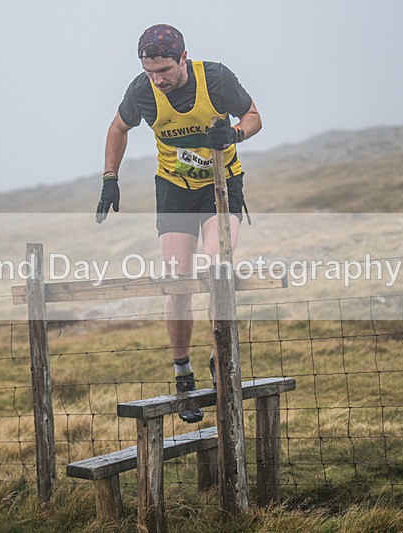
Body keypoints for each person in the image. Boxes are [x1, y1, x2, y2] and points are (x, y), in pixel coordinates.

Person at [96, 24, 262, 423]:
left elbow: (254, 116)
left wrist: (234, 133)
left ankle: (219, 359)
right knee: (178, 279)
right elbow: (118, 127)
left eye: (164, 70)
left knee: (216, 270)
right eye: (150, 71)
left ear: (183, 58)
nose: (158, 79)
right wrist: (109, 178)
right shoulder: (142, 91)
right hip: (174, 189)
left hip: (222, 186)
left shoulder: (217, 79)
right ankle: (182, 372)